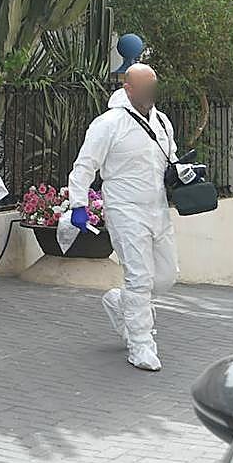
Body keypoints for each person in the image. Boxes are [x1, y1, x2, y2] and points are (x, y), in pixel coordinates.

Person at [63, 63, 178, 371]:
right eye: (144, 87)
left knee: (166, 277)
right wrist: (77, 204)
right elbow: (85, 165)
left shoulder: (163, 122)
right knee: (139, 277)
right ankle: (140, 344)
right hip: (125, 209)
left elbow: (172, 161)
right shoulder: (108, 123)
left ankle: (120, 301)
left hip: (158, 209)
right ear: (128, 88)